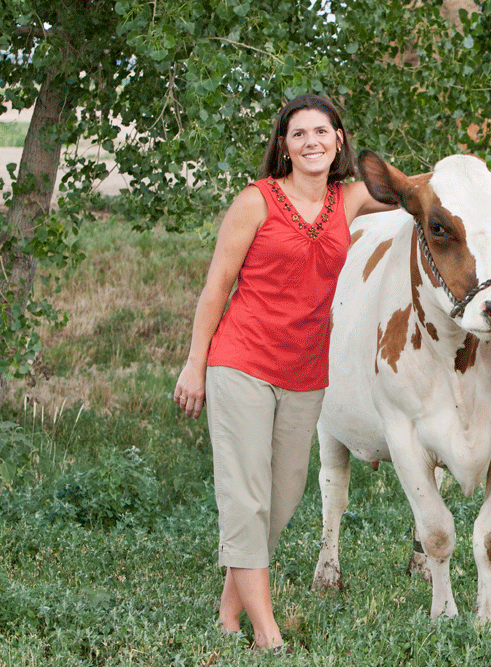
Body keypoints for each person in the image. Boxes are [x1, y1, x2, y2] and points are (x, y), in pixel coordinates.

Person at [173, 94, 393, 651]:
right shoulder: (257, 201)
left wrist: (462, 176)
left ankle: (227, 617)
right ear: (284, 145)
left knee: (282, 498)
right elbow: (216, 286)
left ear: (340, 139)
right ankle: (267, 635)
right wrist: (194, 365)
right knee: (246, 498)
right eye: (299, 134)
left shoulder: (351, 199)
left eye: (322, 131)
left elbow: (413, 190)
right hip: (241, 362)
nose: (312, 141)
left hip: (305, 372)